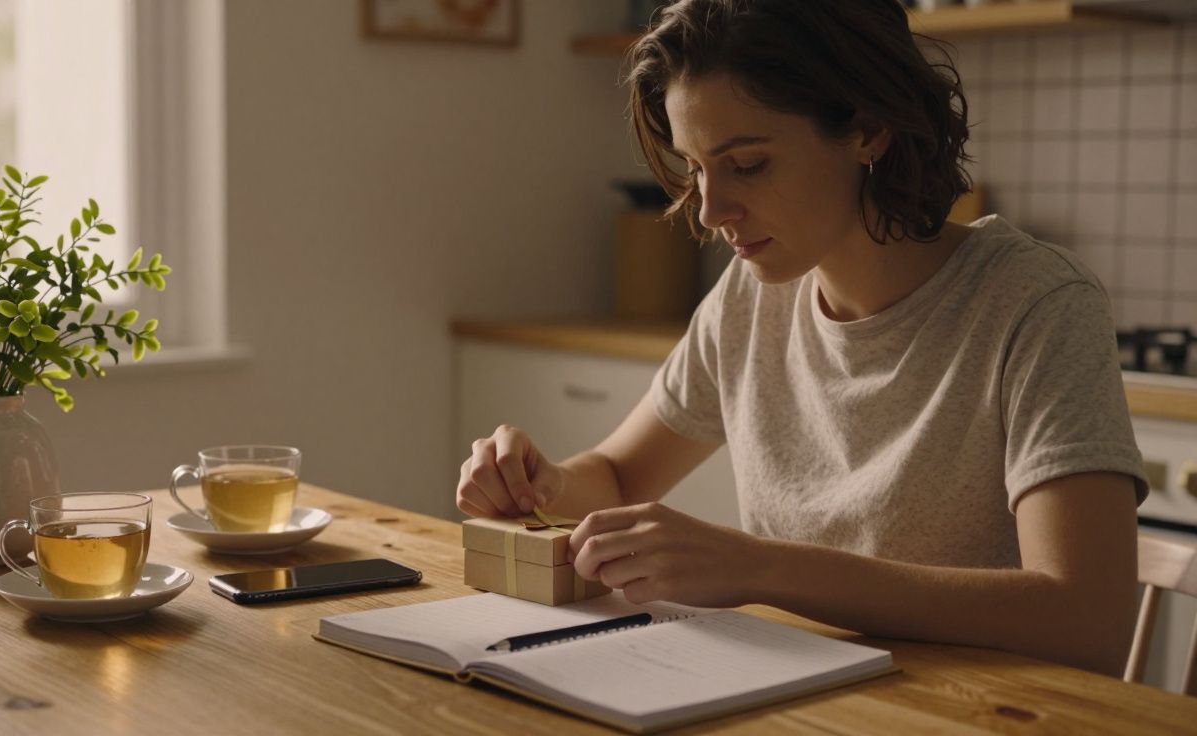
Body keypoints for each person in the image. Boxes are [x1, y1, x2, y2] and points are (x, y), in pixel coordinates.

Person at [455, 0, 1146, 677]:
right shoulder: (750, 296)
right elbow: (618, 477)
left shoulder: (1035, 304)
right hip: (799, 701)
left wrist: (760, 567)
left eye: (747, 165)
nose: (710, 210)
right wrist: (542, 483)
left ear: (868, 128)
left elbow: (1085, 622)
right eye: (696, 167)